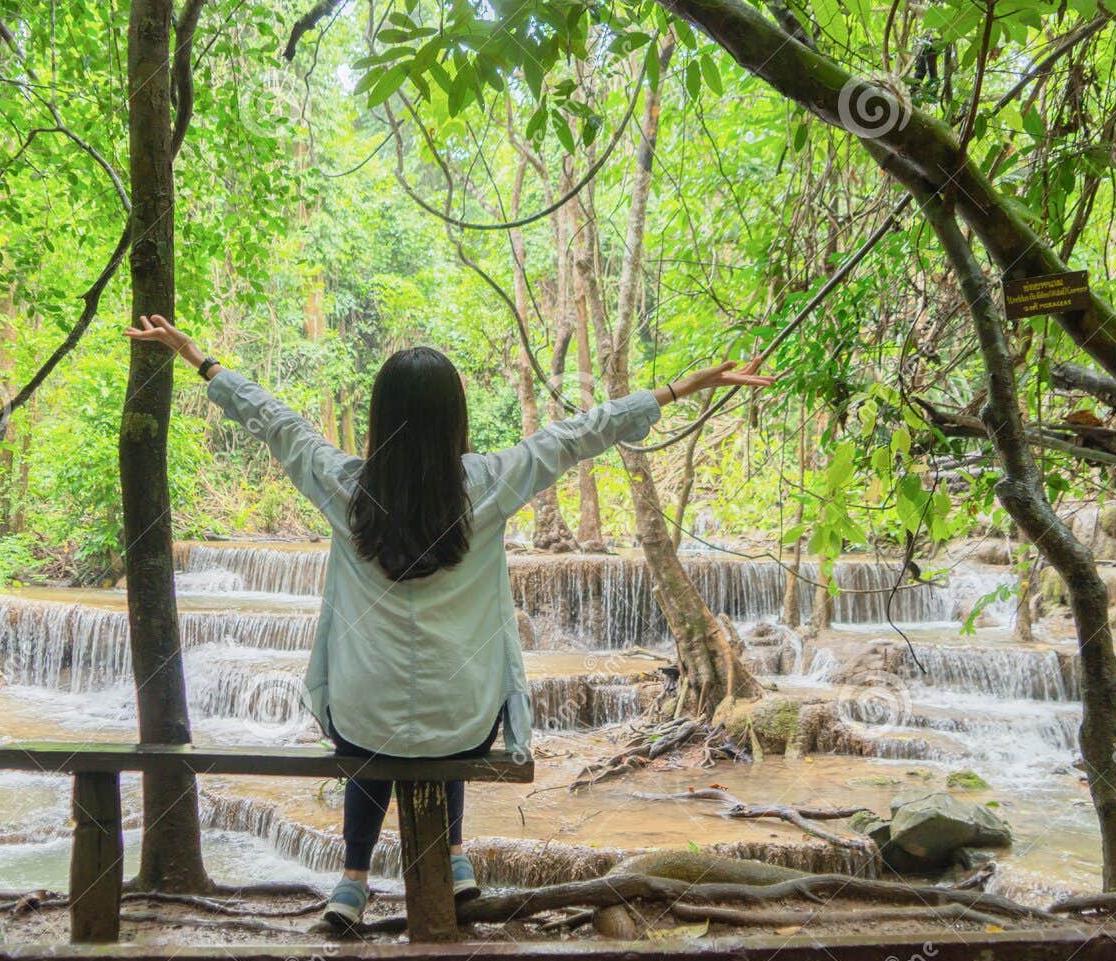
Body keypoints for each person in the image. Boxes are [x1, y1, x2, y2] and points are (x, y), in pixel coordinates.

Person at [124, 313, 775, 930]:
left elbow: (275, 421)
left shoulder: (341, 483)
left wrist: (200, 360)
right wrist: (684, 386)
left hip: (363, 719)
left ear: (380, 419)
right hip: (462, 723)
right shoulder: (492, 482)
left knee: (371, 729)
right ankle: (455, 854)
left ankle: (351, 880)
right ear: (455, 418)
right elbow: (584, 433)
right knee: (454, 696)